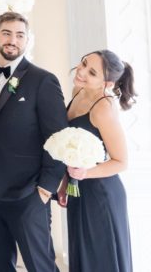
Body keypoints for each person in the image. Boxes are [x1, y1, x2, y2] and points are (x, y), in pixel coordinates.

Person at [0, 11, 66, 272]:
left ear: (27, 40)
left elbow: (58, 138)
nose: (13, 40)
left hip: (28, 192)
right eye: (7, 33)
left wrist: (45, 189)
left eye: (19, 35)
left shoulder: (42, 80)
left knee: (40, 265)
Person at [58, 50, 134, 272]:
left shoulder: (103, 109)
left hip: (101, 196)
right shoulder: (78, 90)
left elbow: (121, 161)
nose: (81, 72)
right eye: (83, 64)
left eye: (91, 72)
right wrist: (66, 181)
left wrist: (84, 173)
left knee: (101, 260)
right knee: (83, 257)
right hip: (78, 189)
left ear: (107, 83)